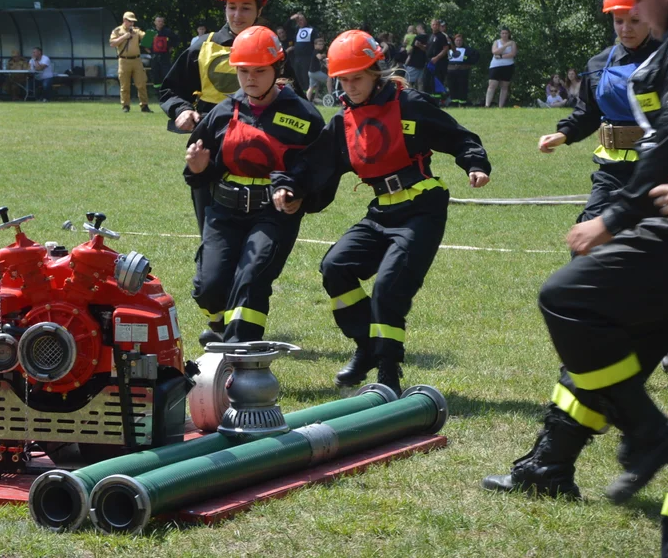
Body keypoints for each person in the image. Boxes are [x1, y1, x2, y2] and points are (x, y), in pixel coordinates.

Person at [483, 0, 668, 516]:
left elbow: (667, 138)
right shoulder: (625, 60)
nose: (626, 12)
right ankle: (554, 463)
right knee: (600, 335)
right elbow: (607, 119)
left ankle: (626, 439)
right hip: (632, 192)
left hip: (645, 205)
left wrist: (617, 216)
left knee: (579, 307)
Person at [271, 30, 491, 395]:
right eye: (343, 79)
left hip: (422, 209)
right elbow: (313, 164)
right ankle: (367, 346)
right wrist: (291, 188)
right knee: (335, 268)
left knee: (389, 288)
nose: (350, 86)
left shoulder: (410, 104)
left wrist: (475, 164)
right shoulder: (343, 123)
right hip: (381, 213)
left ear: (376, 71)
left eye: (358, 77)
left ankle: (388, 373)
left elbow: (457, 136)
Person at [184, 26, 324, 345]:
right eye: (243, 71)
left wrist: (300, 196)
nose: (250, 78)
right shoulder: (221, 113)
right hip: (224, 212)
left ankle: (240, 355)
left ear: (278, 68)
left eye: (259, 71)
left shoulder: (304, 116)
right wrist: (197, 168)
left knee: (251, 279)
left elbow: (321, 170)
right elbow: (200, 171)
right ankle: (219, 323)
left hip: (273, 215)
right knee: (209, 288)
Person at [159, 0, 278, 234]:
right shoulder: (202, 47)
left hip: (259, 152)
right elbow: (170, 90)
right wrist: (181, 110)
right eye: (232, 7)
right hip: (209, 150)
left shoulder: (273, 49)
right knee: (211, 232)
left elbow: (294, 99)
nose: (237, 15)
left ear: (259, 9)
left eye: (246, 7)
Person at [536, 0, 660, 225]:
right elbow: (588, 112)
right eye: (619, 21)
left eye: (634, 21)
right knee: (586, 240)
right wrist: (563, 134)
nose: (626, 29)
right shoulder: (599, 63)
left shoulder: (666, 59)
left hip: (659, 168)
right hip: (612, 170)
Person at [110, 12, 151, 112]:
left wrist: (151, 35)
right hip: (124, 61)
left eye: (133, 21)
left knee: (141, 83)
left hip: (137, 60)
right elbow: (112, 43)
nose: (132, 23)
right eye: (130, 21)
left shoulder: (136, 31)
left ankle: (144, 105)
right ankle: (125, 106)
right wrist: (124, 37)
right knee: (125, 86)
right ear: (124, 20)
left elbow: (145, 37)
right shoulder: (117, 31)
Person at [485, 27, 517, 107]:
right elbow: (495, 52)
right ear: (500, 34)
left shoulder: (512, 43)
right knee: (492, 85)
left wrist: (501, 56)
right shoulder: (496, 42)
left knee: (504, 86)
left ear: (509, 34)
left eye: (506, 33)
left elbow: (513, 54)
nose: (504, 35)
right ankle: (487, 105)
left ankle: (501, 106)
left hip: (508, 66)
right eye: (503, 33)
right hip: (495, 66)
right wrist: (505, 46)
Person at [287, 12, 316, 98]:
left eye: (302, 19)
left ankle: (310, 96)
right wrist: (291, 19)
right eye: (298, 20)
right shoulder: (296, 29)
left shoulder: (311, 29)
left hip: (307, 58)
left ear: (305, 19)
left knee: (306, 77)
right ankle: (299, 94)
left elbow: (316, 42)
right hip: (297, 58)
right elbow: (286, 27)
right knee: (297, 76)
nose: (300, 21)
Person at [446, 33, 478, 106]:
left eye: (460, 40)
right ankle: (454, 102)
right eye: (457, 40)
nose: (458, 42)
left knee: (462, 87)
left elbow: (476, 56)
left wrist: (469, 62)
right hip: (451, 72)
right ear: (454, 41)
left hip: (463, 71)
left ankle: (463, 103)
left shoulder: (468, 50)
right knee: (452, 87)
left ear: (462, 41)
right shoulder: (448, 49)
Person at [149, 16, 180, 88]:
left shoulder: (168, 31)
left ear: (163, 23)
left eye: (161, 21)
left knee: (167, 75)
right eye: (158, 21)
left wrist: (171, 48)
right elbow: (145, 45)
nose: (160, 23)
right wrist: (151, 53)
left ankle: (167, 91)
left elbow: (176, 40)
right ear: (155, 22)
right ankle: (158, 94)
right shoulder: (151, 32)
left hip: (165, 57)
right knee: (156, 76)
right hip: (154, 58)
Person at [425, 19, 450, 98]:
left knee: (437, 80)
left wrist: (437, 57)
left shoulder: (442, 36)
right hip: (430, 61)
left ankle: (438, 100)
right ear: (431, 26)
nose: (435, 26)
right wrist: (420, 46)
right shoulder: (430, 36)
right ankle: (430, 98)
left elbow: (445, 49)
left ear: (439, 26)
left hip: (439, 62)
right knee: (428, 80)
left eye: (436, 25)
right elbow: (428, 49)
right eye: (433, 25)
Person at [403, 23, 428, 89]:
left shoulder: (417, 37)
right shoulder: (429, 37)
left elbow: (410, 49)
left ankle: (409, 95)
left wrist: (407, 51)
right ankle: (420, 95)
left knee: (407, 81)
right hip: (423, 63)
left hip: (414, 63)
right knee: (420, 82)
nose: (416, 30)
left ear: (420, 28)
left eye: (417, 29)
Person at [308, 36, 330, 102]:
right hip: (314, 72)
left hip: (311, 73)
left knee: (312, 87)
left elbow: (323, 62)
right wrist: (324, 56)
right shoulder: (315, 51)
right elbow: (320, 57)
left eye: (322, 44)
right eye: (319, 44)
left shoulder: (317, 51)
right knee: (329, 78)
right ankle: (330, 94)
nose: (321, 46)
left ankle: (310, 99)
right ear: (315, 45)